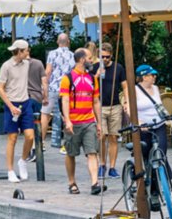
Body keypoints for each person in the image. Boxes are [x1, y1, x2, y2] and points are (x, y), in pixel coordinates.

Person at [57, 49, 100, 193]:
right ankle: (72, 182)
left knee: (92, 152)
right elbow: (65, 99)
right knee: (71, 153)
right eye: (89, 58)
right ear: (82, 60)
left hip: (89, 121)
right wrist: (67, 120)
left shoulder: (92, 78)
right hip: (73, 122)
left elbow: (95, 101)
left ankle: (95, 183)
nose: (92, 60)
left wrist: (99, 123)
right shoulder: (68, 78)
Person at [0, 39, 38, 183]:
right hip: (12, 103)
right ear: (20, 51)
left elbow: (36, 64)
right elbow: (0, 88)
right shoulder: (6, 66)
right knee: (12, 138)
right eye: (26, 50)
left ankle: (22, 160)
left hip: (25, 103)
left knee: (30, 136)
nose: (28, 52)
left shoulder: (27, 63)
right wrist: (10, 106)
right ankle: (10, 170)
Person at [95, 47, 125, 178]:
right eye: (102, 57)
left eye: (107, 56)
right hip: (100, 106)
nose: (105, 59)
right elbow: (89, 84)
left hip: (115, 106)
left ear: (111, 55)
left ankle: (112, 167)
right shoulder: (95, 67)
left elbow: (125, 85)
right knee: (101, 136)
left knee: (113, 137)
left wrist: (126, 101)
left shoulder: (118, 68)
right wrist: (96, 75)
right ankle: (102, 164)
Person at [44, 33, 78, 147]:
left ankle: (41, 142)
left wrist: (45, 86)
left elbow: (48, 71)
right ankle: (66, 143)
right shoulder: (73, 55)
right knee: (66, 115)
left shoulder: (52, 54)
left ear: (58, 42)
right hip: (67, 89)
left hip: (53, 87)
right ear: (68, 42)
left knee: (46, 113)